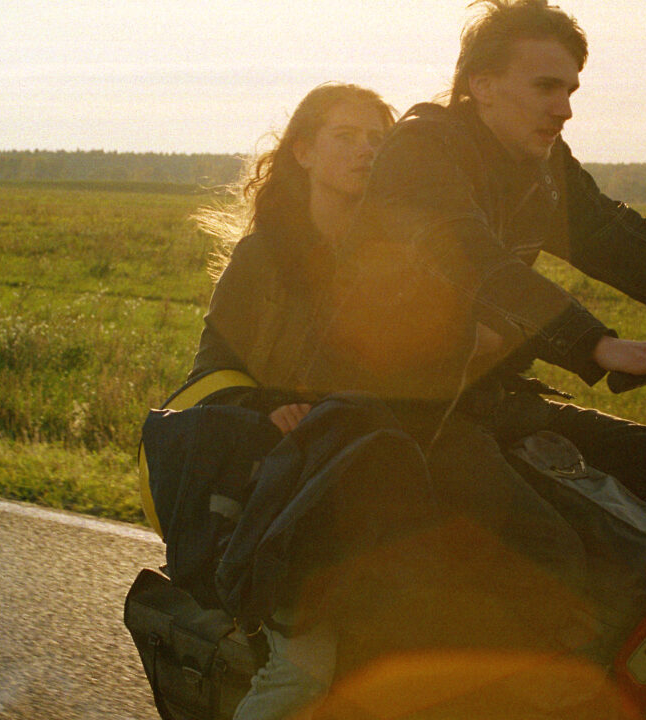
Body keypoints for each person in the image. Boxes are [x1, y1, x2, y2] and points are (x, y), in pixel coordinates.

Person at [290, 0, 646, 715]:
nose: (565, 108)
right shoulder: (423, 151)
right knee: (548, 550)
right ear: (482, 86)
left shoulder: (542, 166)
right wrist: (596, 345)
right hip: (389, 414)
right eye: (546, 86)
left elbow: (632, 249)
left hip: (483, 398)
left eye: (572, 89)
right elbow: (473, 258)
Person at [181, 82, 397, 720]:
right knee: (304, 673)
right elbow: (210, 375)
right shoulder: (261, 257)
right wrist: (264, 411)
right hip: (281, 490)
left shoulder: (398, 257)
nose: (365, 150)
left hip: (376, 481)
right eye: (345, 136)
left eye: (377, 139)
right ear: (303, 152)